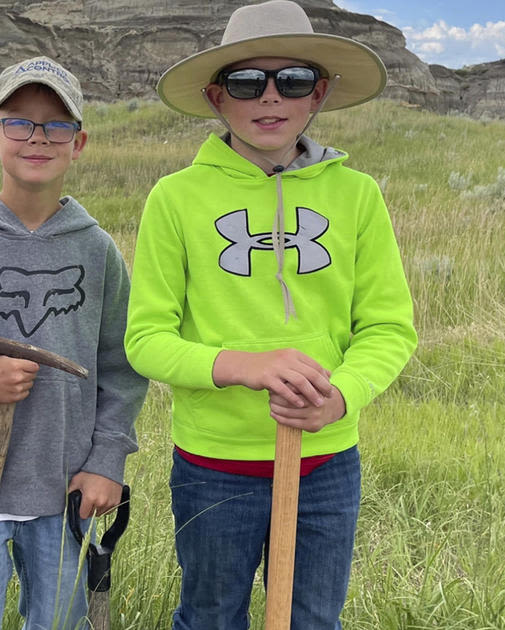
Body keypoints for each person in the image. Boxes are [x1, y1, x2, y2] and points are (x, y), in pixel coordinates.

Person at [124, 1, 418, 628]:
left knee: (314, 619)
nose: (270, 97)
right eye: (245, 81)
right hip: (213, 465)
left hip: (327, 461)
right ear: (215, 97)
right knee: (210, 617)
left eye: (292, 81)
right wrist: (244, 366)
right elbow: (146, 339)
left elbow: (389, 327)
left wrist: (339, 396)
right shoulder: (176, 199)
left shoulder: (357, 196)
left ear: (320, 94)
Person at [0, 56, 148, 630]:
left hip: (65, 487)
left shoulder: (97, 251)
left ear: (78, 143)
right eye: (20, 123)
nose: (38, 138)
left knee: (60, 617)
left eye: (57, 126)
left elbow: (122, 367)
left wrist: (107, 460)